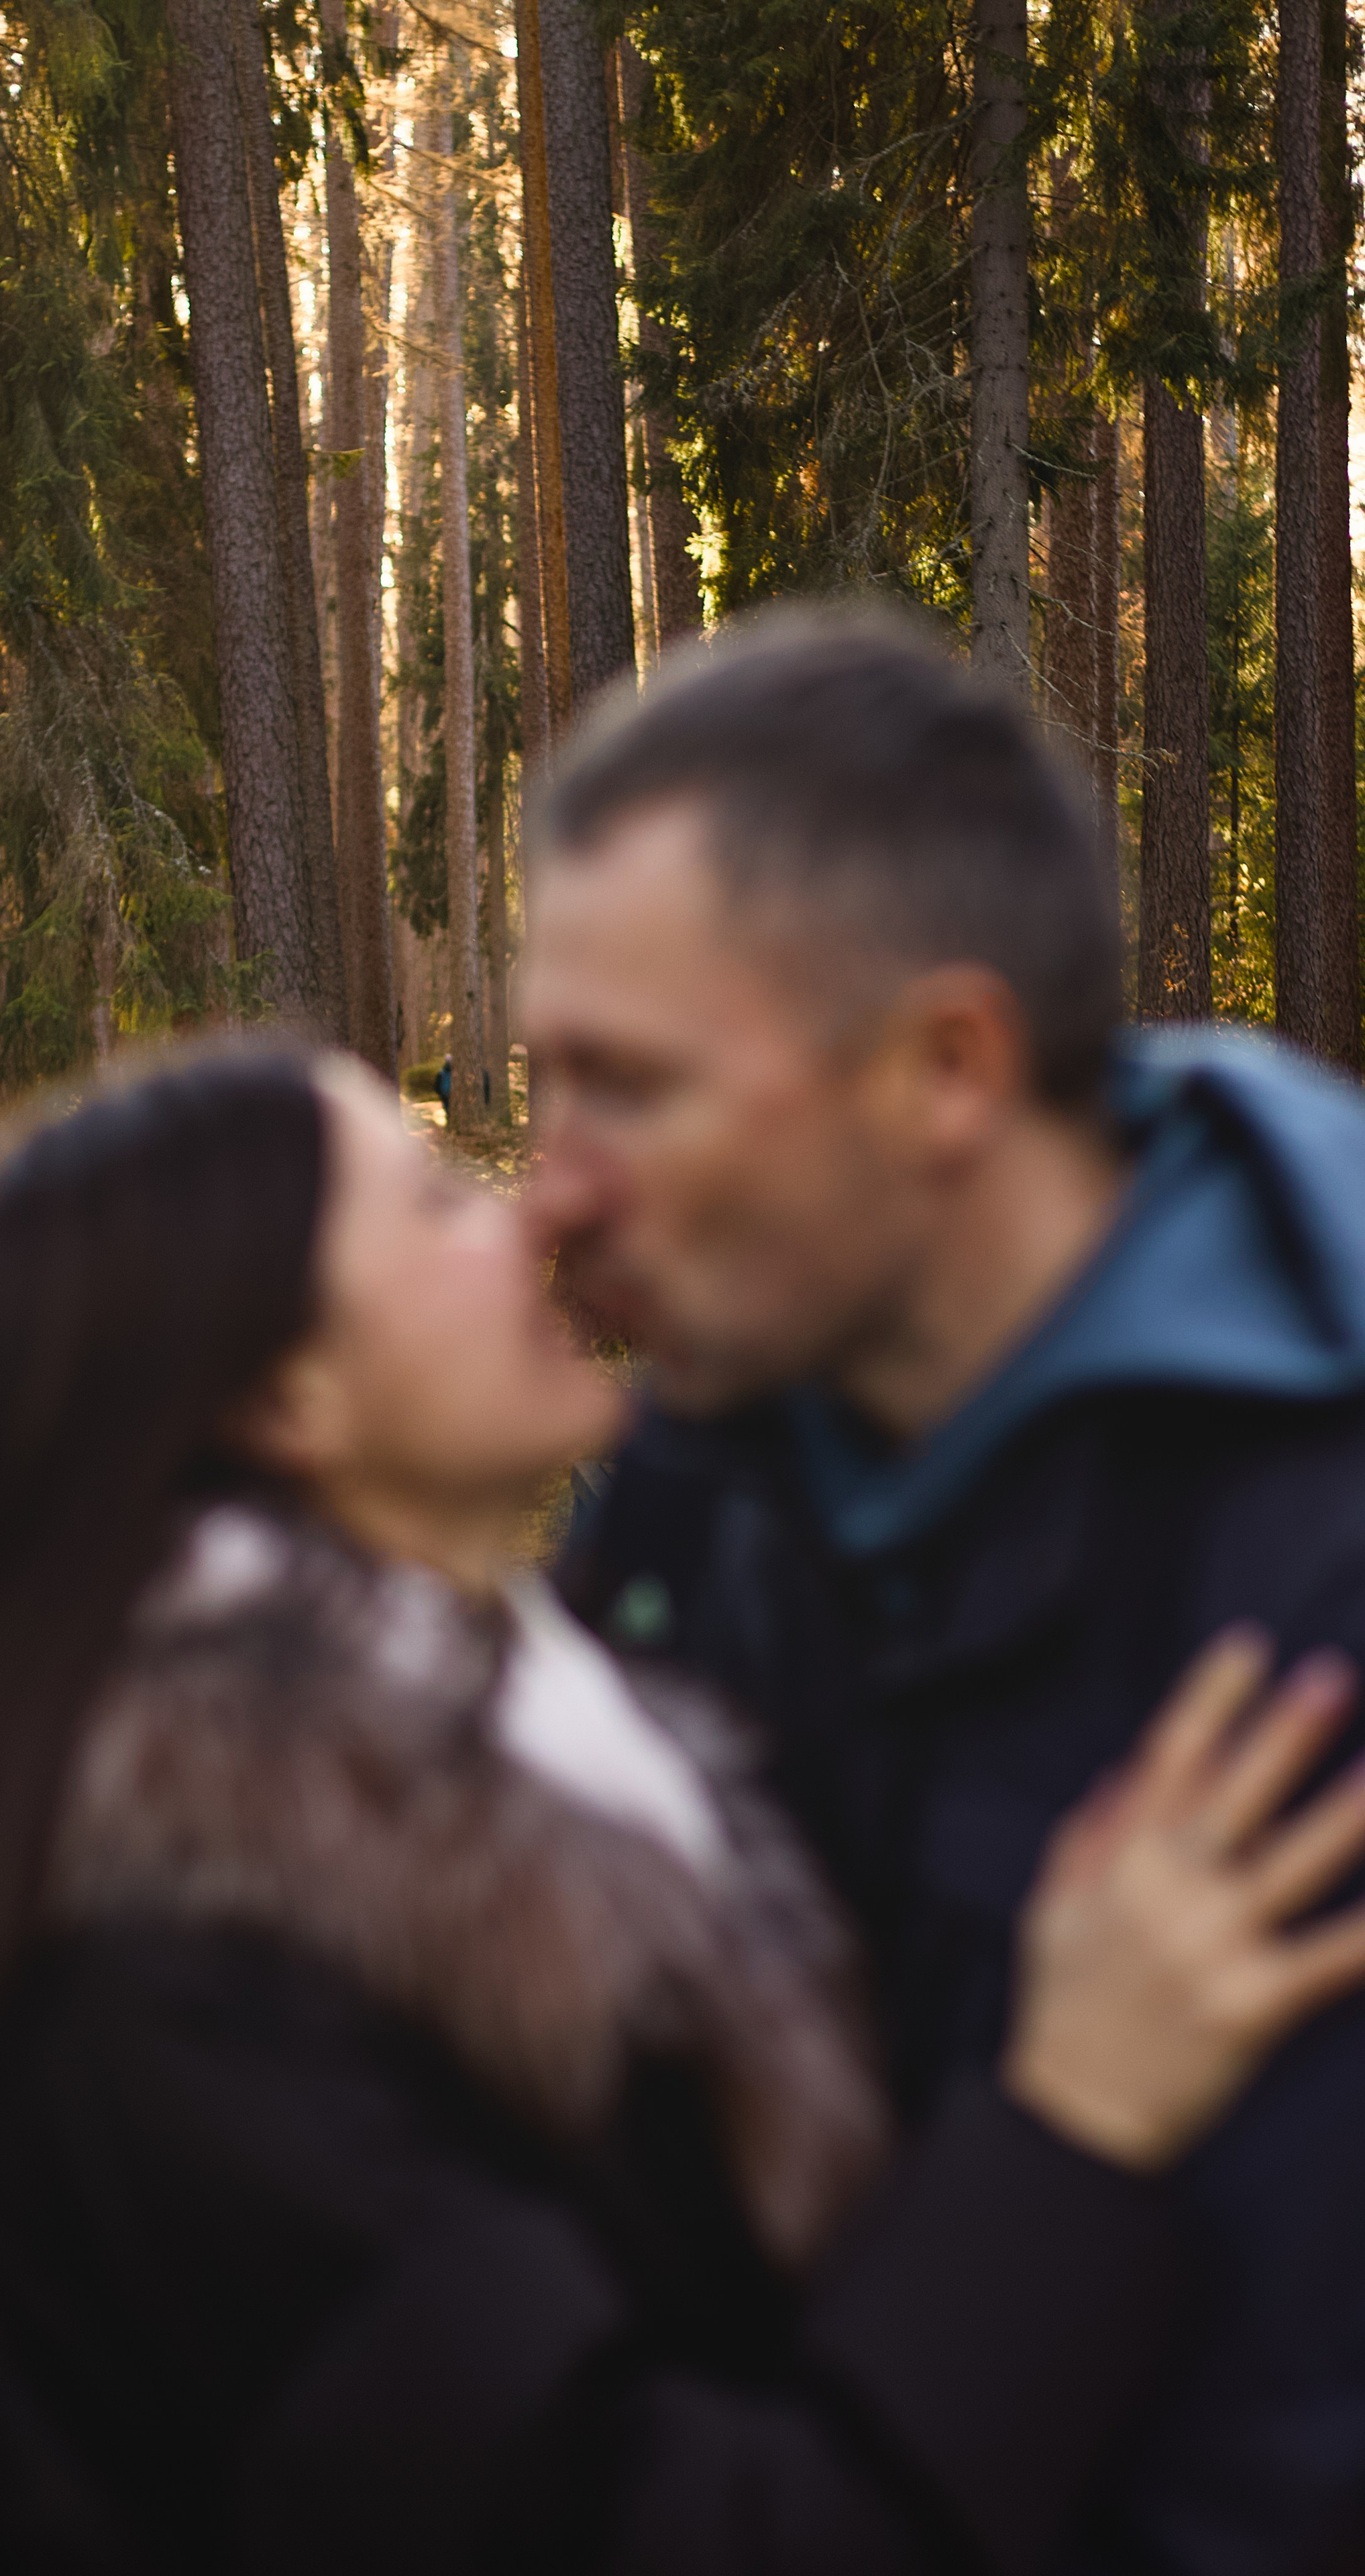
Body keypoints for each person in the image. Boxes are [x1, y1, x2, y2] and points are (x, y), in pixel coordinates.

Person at [0, 1042, 1365, 2576]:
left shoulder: (530, 1740)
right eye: (438, 1200)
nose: (530, 1216)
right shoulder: (170, 2004)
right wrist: (1073, 2117)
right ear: (284, 1393)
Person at [521, 607, 1365, 2576]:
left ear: (946, 1068)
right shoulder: (704, 1458)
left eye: (626, 1085)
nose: (558, 1184)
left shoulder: (1313, 1564)